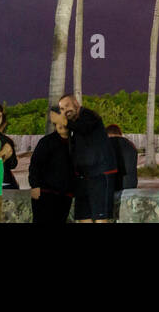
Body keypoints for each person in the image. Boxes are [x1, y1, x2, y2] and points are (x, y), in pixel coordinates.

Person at [58, 94, 118, 222]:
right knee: (83, 217)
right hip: (82, 177)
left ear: (76, 102)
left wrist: (64, 122)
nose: (65, 111)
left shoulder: (89, 116)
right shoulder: (72, 126)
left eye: (67, 105)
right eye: (62, 109)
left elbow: (84, 128)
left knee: (101, 218)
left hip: (100, 175)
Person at [29, 107, 75, 224]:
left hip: (65, 195)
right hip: (45, 194)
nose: (58, 125)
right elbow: (35, 165)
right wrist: (34, 186)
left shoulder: (75, 143)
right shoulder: (46, 142)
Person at [105, 124, 138, 220]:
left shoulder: (106, 144)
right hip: (130, 187)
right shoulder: (131, 145)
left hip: (112, 188)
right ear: (120, 133)